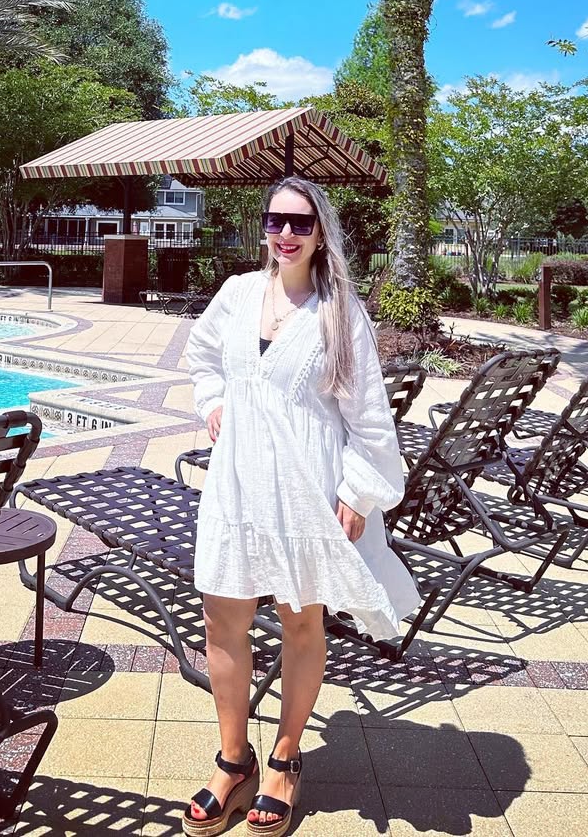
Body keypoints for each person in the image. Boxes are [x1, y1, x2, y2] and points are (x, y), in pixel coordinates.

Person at [182, 176, 418, 837]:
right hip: (236, 482)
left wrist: (357, 491)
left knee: (300, 621)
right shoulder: (238, 293)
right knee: (221, 616)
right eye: (275, 220)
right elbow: (201, 355)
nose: (285, 234)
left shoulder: (339, 312)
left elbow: (368, 414)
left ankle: (285, 760)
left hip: (304, 486)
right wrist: (213, 402)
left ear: (321, 234)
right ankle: (234, 761)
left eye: (300, 223)